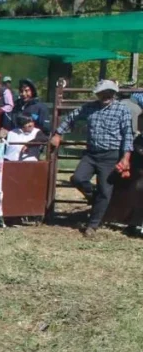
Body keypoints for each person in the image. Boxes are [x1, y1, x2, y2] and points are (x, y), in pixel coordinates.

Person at [52, 80, 134, 237]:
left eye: (108, 92)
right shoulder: (89, 107)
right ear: (98, 94)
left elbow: (127, 134)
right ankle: (94, 197)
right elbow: (71, 117)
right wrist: (58, 133)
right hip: (91, 153)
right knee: (77, 178)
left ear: (113, 93)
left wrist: (125, 158)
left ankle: (93, 225)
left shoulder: (122, 109)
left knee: (105, 189)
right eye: (102, 92)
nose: (105, 95)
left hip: (111, 155)